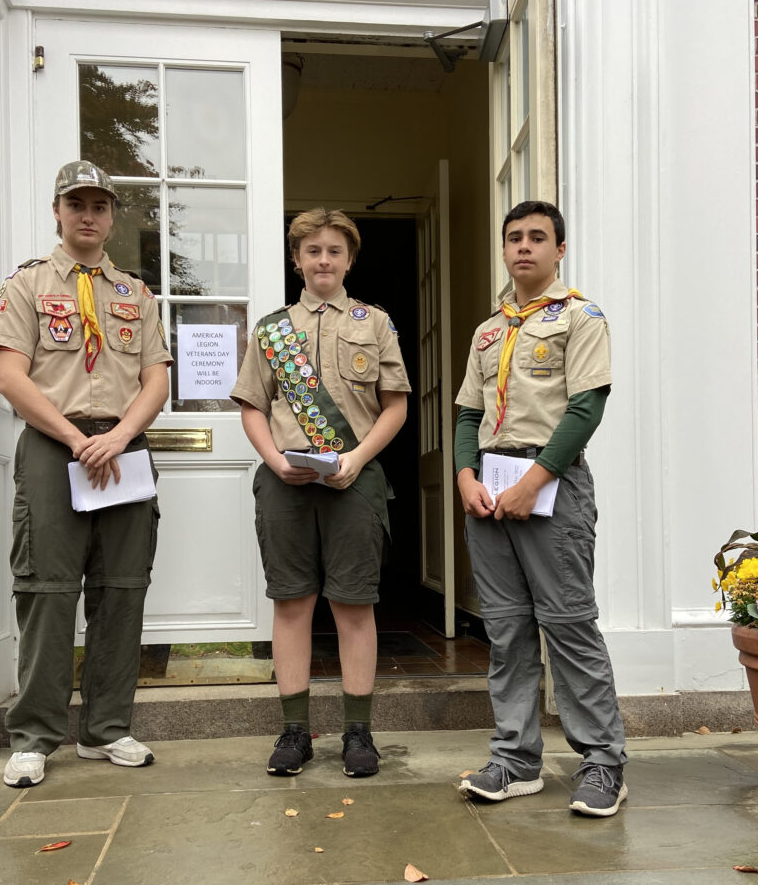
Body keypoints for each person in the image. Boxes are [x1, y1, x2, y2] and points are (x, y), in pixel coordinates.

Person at [0, 160, 172, 788]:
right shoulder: (27, 286)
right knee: (47, 590)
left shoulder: (136, 295)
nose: (88, 216)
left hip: (122, 446)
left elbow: (156, 378)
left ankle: (106, 729)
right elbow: (11, 375)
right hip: (51, 445)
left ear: (112, 215)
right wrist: (73, 438)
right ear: (58, 211)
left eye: (99, 206)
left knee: (122, 588)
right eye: (77, 204)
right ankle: (35, 735)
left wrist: (117, 437)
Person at [453, 200, 628, 817]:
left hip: (550, 485)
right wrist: (465, 474)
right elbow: (469, 414)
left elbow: (586, 408)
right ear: (504, 251)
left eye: (537, 238)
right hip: (491, 490)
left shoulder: (581, 317)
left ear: (559, 250)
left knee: (568, 624)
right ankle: (515, 759)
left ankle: (603, 763)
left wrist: (536, 479)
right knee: (505, 629)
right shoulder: (488, 330)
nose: (523, 247)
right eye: (513, 238)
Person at [231, 208, 410, 778]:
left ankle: (358, 731)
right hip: (286, 484)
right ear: (297, 260)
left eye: (334, 250)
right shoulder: (272, 329)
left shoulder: (375, 323)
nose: (323, 260)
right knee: (292, 603)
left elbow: (396, 406)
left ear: (350, 259)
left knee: (355, 605)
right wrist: (274, 460)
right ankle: (294, 732)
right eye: (313, 251)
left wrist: (357, 459)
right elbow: (253, 407)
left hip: (355, 483)